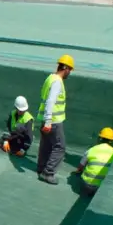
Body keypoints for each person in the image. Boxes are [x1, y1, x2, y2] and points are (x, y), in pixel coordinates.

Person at [36, 54, 75, 185]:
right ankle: (48, 173)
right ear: (67, 69)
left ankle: (41, 168)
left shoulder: (50, 78)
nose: (69, 73)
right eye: (70, 70)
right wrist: (48, 121)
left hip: (45, 119)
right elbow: (51, 101)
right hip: (53, 121)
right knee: (59, 147)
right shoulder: (57, 82)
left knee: (46, 145)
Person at [73, 128, 113, 196]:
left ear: (100, 138)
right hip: (103, 187)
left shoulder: (92, 150)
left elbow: (81, 166)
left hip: (88, 185)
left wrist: (79, 171)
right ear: (111, 141)